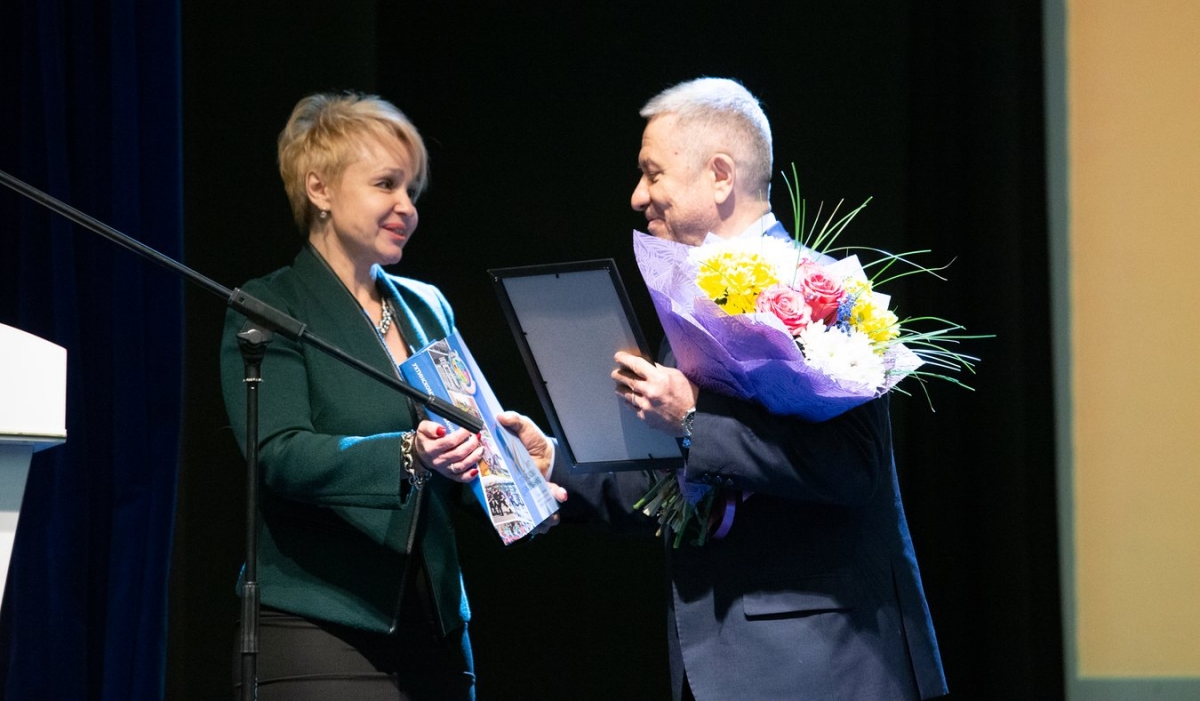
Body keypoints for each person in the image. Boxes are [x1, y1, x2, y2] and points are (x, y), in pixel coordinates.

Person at [503, 77, 948, 700]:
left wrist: (694, 419)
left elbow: (855, 467)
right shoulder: (689, 301)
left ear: (719, 176)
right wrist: (553, 463)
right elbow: (671, 483)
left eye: (652, 174)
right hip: (714, 665)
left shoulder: (818, 289)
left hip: (822, 662)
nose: (637, 196)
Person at [219, 91, 493, 699]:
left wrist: (522, 469)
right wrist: (406, 452)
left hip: (438, 630)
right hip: (320, 624)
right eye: (385, 185)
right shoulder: (270, 304)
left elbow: (474, 437)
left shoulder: (427, 305)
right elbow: (278, 454)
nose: (406, 207)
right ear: (319, 189)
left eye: (411, 191)